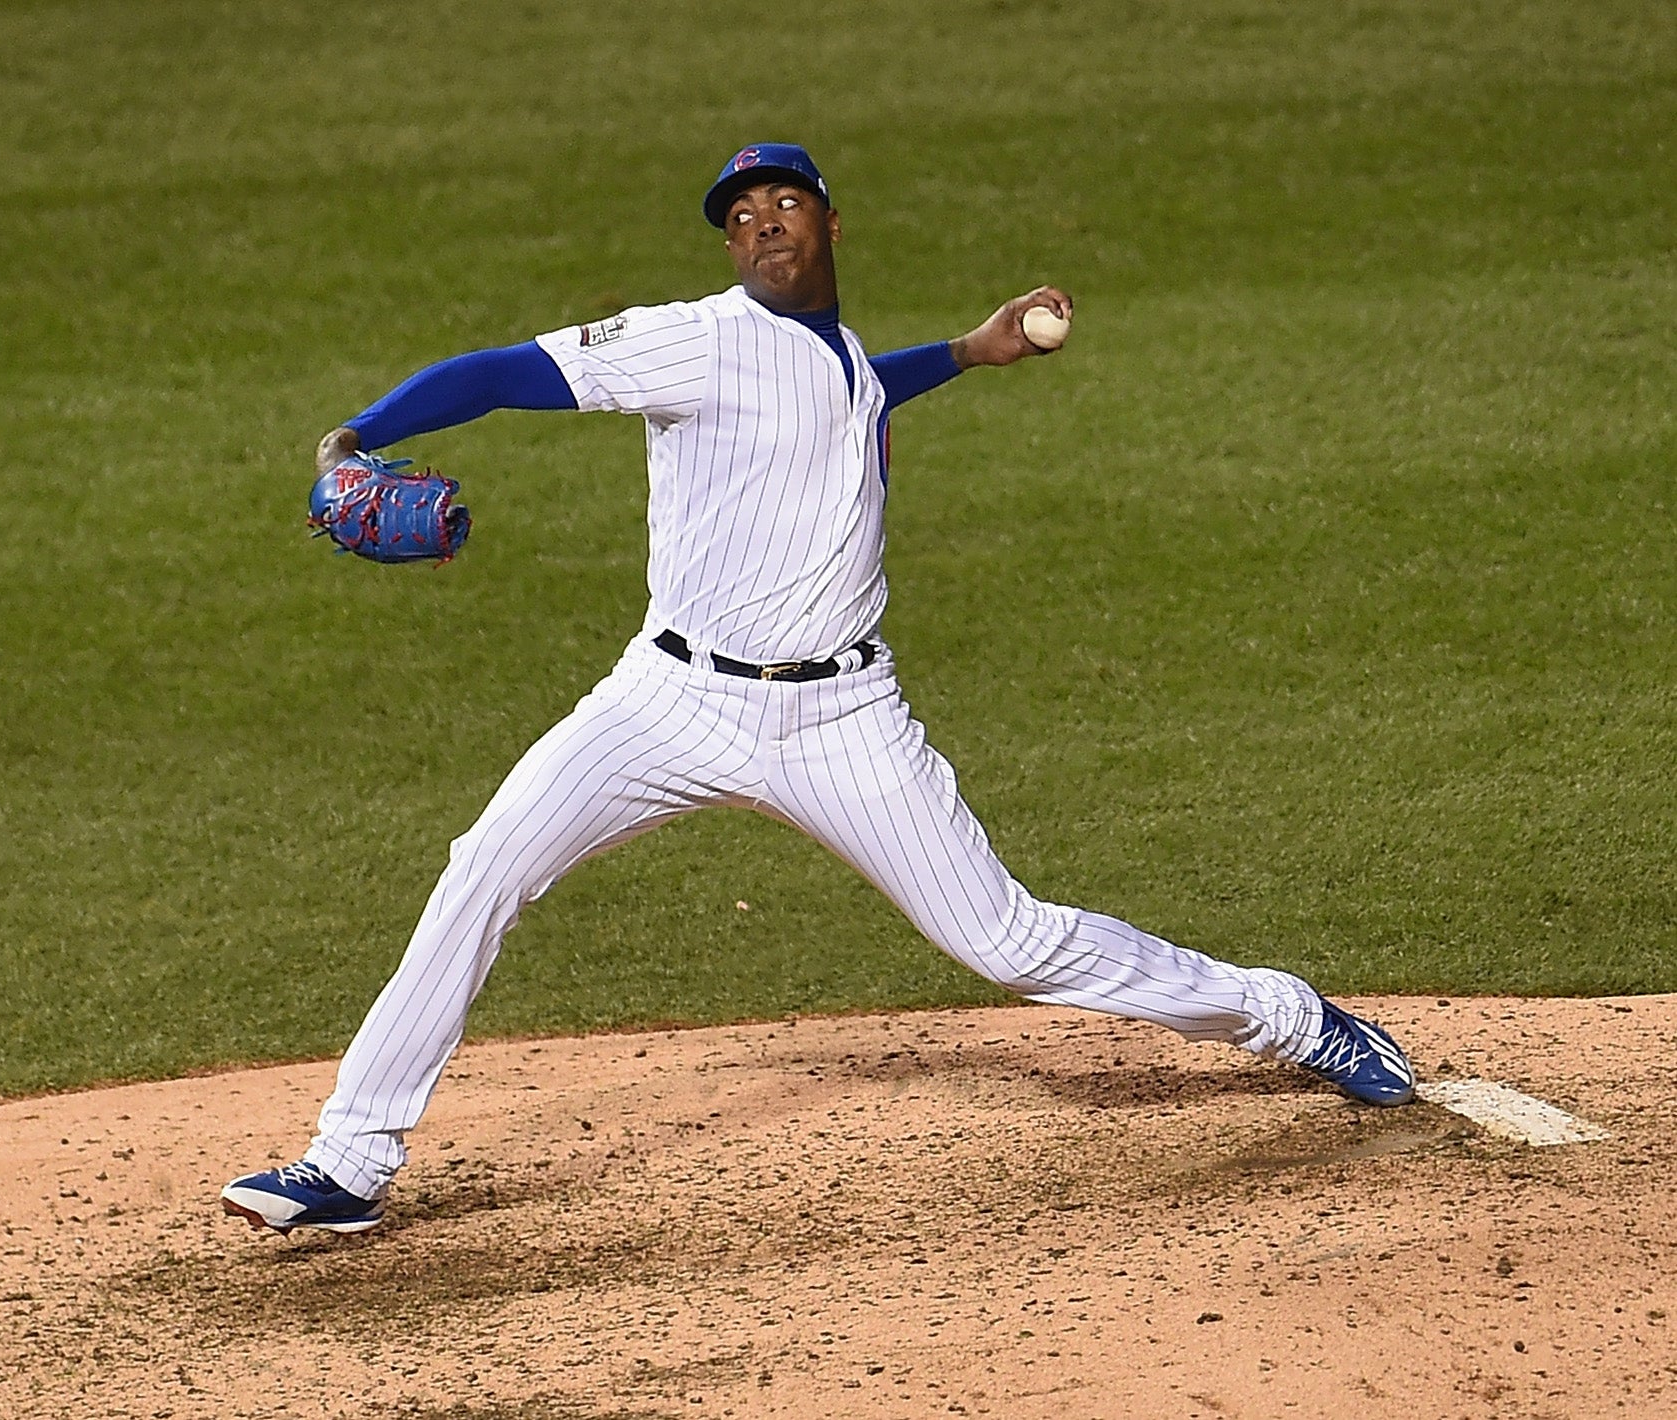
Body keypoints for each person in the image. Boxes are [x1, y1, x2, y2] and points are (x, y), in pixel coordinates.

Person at [221, 143, 1415, 1236]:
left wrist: (962, 352)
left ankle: (1285, 1015)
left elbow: (844, 388)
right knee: (483, 863)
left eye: (783, 204)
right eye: (739, 218)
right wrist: (354, 435)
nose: (762, 227)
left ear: (832, 222)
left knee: (1008, 940)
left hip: (843, 722)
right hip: (668, 704)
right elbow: (501, 372)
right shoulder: (694, 339)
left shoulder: (835, 354)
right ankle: (351, 1159)